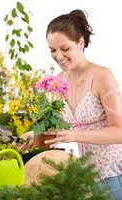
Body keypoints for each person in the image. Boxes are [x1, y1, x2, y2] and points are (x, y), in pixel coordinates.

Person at [21, 10, 122, 200]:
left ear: (81, 43)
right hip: (81, 179)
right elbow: (61, 128)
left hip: (112, 176)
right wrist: (34, 136)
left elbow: (120, 131)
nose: (58, 56)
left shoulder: (102, 76)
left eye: (65, 48)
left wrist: (75, 135)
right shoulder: (58, 81)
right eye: (52, 50)